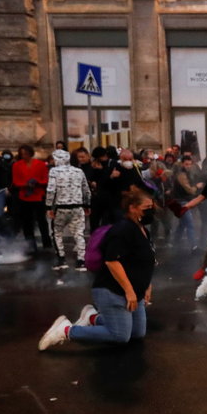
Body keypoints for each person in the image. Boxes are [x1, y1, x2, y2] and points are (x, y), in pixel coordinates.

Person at [38, 189, 156, 350]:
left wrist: (147, 285)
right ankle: (66, 330)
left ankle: (92, 318)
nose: (152, 210)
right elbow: (111, 261)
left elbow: (144, 262)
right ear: (132, 208)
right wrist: (129, 291)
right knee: (120, 336)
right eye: (147, 207)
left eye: (152, 206)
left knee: (137, 333)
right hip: (113, 291)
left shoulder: (143, 230)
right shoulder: (123, 230)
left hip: (136, 292)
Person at [45, 149, 91, 271]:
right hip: (77, 207)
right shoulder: (79, 171)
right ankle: (81, 261)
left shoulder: (54, 171)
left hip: (61, 208)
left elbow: (51, 190)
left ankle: (61, 259)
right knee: (79, 234)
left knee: (57, 233)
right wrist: (87, 205)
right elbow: (86, 189)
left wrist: (49, 207)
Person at [11, 144, 51, 254]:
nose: (24, 156)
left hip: (38, 195)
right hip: (25, 196)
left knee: (41, 220)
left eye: (26, 154)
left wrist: (37, 183)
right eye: (22, 154)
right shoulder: (17, 165)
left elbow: (45, 179)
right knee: (27, 221)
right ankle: (30, 243)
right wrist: (25, 185)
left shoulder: (41, 164)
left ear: (30, 153)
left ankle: (46, 241)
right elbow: (15, 181)